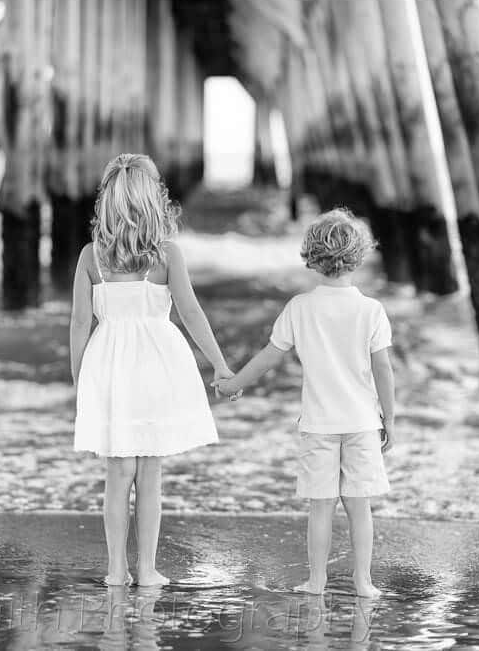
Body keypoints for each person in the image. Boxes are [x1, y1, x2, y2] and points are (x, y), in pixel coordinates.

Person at [213, 209, 395, 598]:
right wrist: (390, 421)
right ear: (359, 256)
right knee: (359, 508)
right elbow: (384, 371)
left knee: (321, 508)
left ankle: (317, 581)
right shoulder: (371, 311)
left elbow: (268, 357)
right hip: (363, 422)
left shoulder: (300, 307)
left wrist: (232, 385)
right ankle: (364, 582)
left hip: (318, 425)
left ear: (312, 256)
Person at [71, 153, 232, 587]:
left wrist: (79, 384)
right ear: (152, 201)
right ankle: (146, 569)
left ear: (107, 203)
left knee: (118, 472)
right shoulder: (166, 255)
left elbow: (80, 326)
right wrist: (219, 365)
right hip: (158, 368)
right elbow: (192, 314)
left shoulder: (92, 258)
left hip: (110, 369)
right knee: (150, 473)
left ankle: (115, 570)